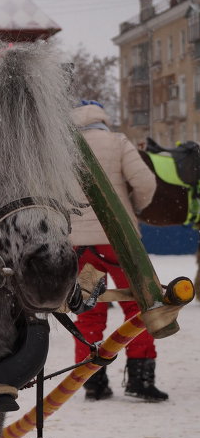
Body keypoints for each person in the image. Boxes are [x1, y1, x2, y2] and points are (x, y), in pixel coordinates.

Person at [71, 100, 168, 402]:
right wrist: (133, 208)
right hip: (120, 243)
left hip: (83, 248)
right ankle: (139, 379)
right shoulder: (117, 141)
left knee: (89, 311)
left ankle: (92, 382)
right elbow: (145, 181)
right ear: (102, 118)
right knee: (140, 307)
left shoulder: (66, 147)